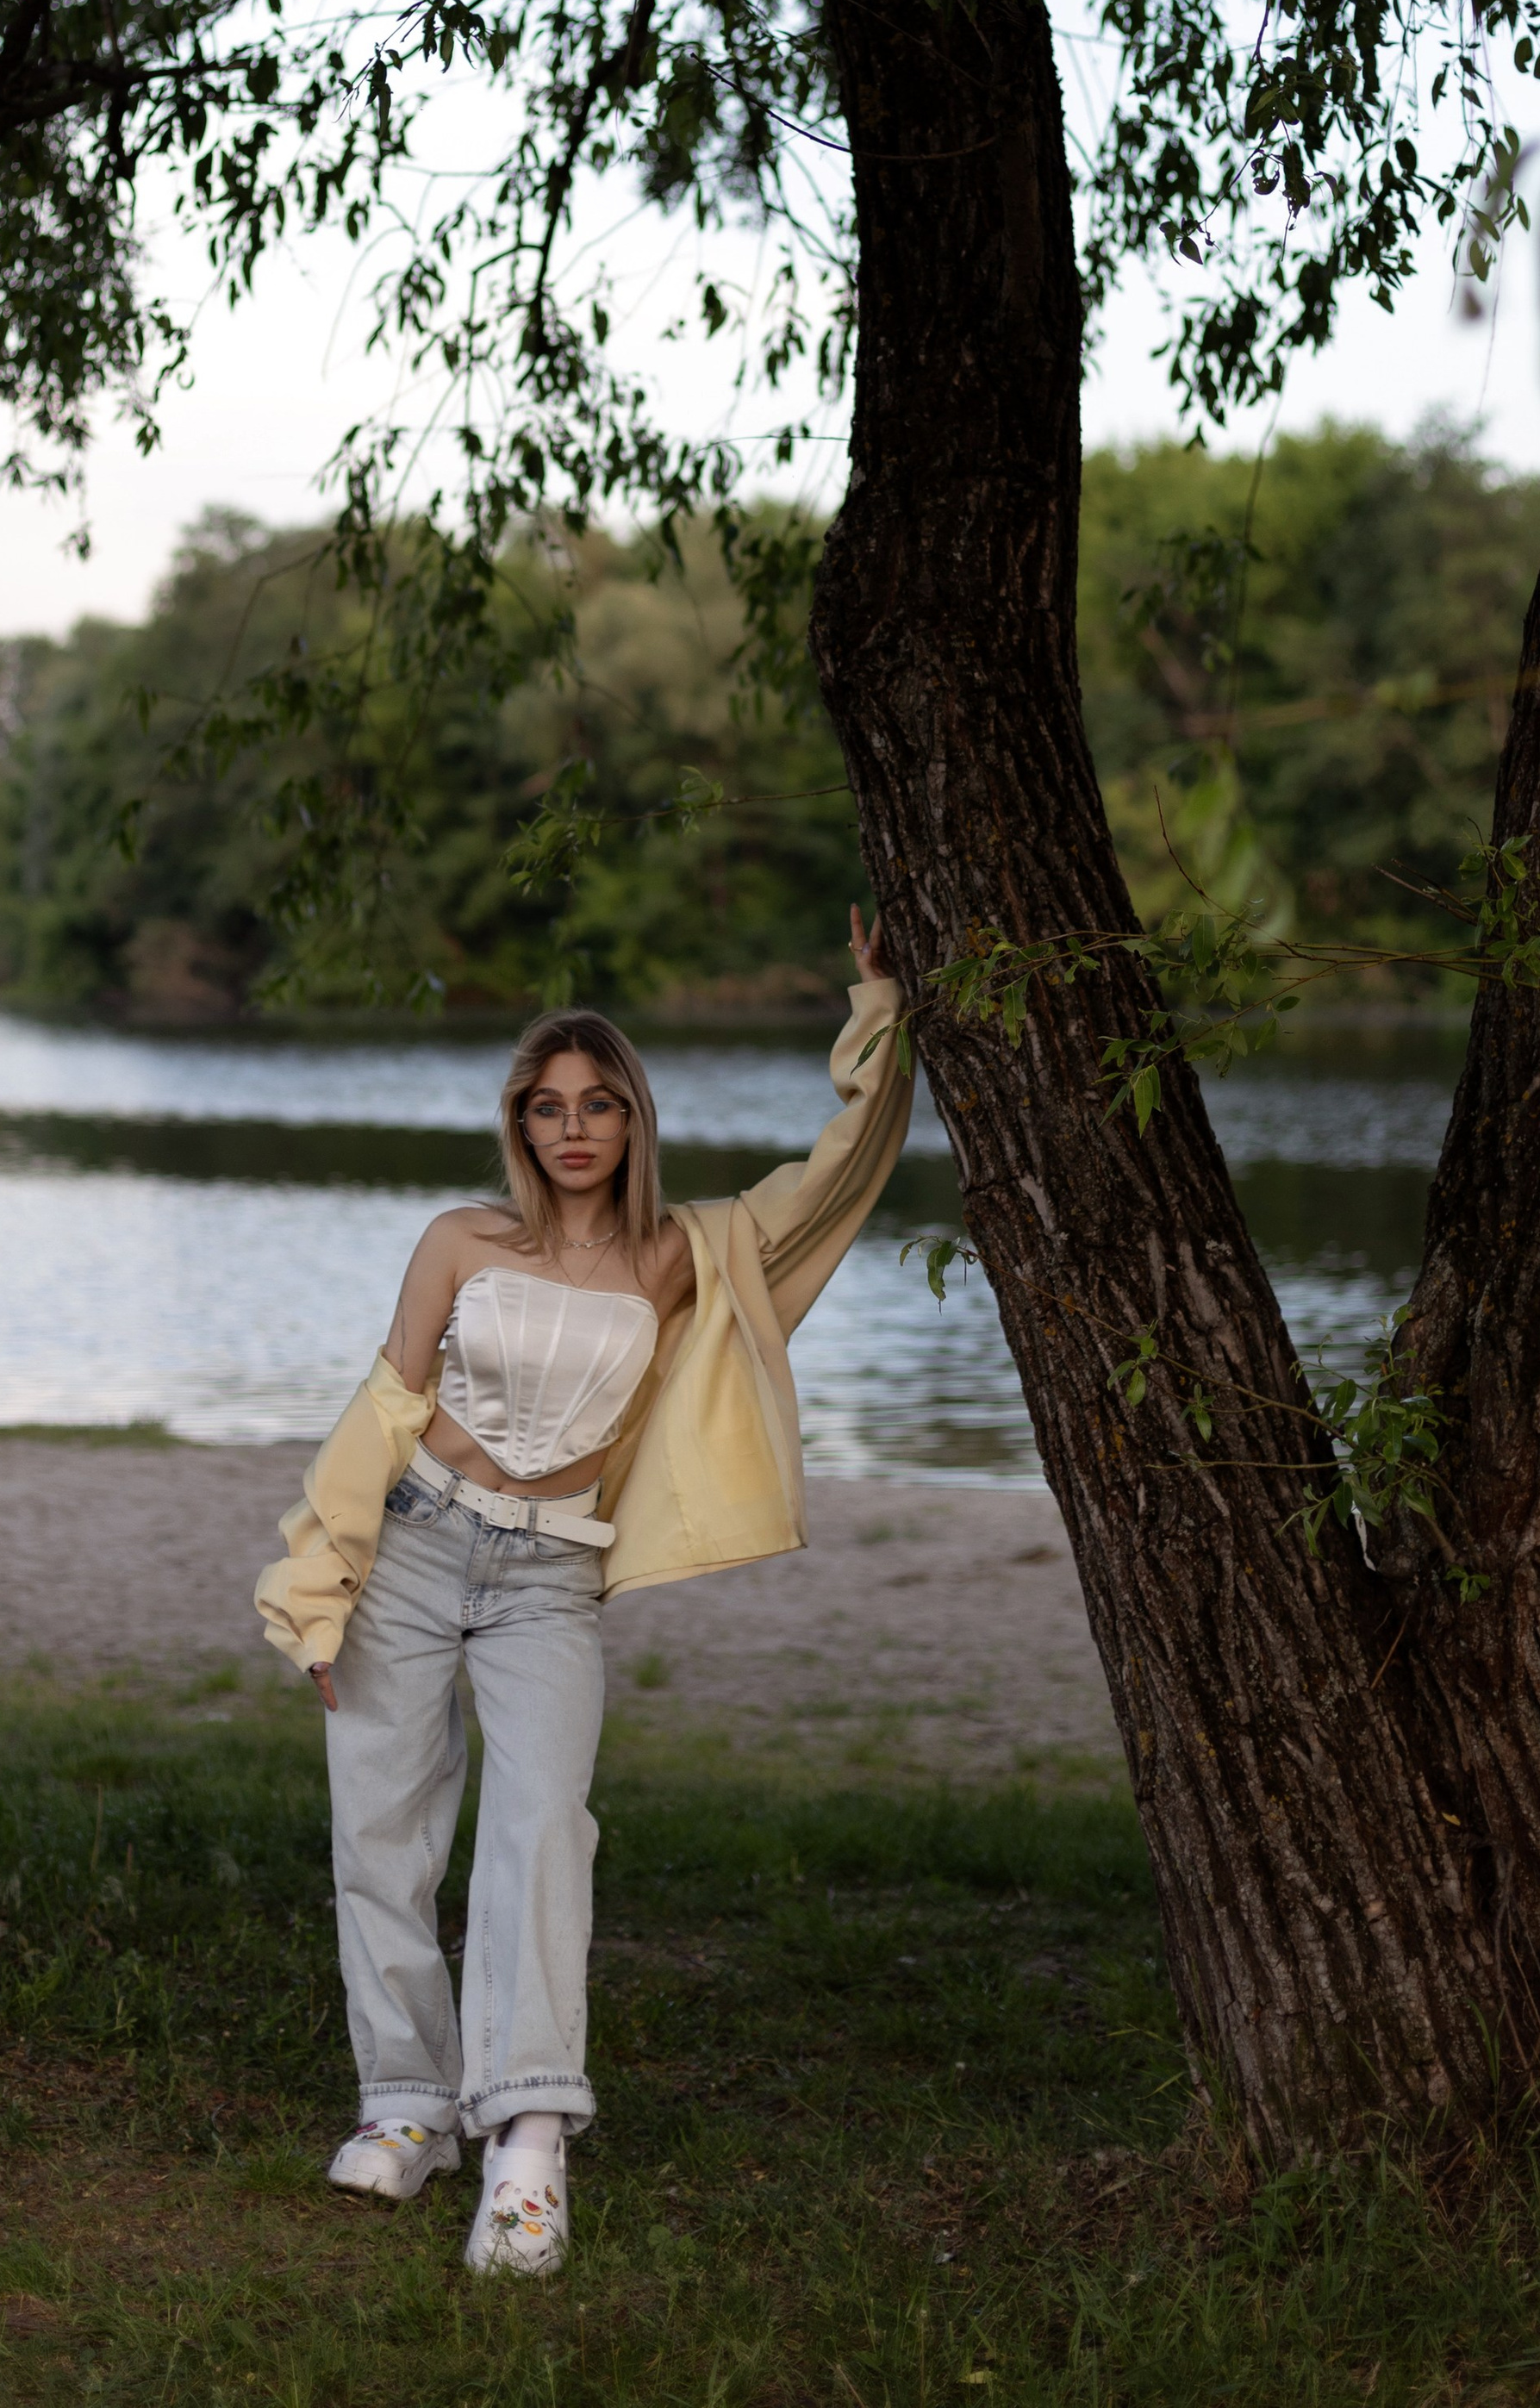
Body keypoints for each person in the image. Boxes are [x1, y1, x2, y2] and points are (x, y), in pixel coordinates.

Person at [255, 907, 910, 2277]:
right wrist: (321, 1577)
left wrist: (879, 1018)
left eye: (599, 1105)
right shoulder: (456, 1240)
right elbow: (383, 1415)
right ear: (520, 1121)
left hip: (554, 1573)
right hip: (417, 1546)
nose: (572, 1129)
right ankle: (403, 2105)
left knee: (544, 1829)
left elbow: (839, 1180)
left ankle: (530, 2145)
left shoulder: (688, 1257)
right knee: (380, 1832)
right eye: (547, 1106)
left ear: (631, 1121)